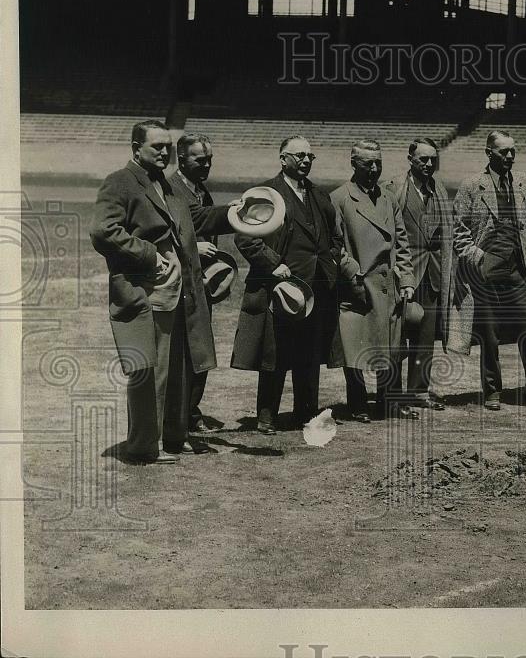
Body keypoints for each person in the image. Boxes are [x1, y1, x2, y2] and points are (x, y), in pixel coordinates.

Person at [90, 120, 234, 463]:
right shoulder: (121, 182)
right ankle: (143, 446)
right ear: (136, 147)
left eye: (167, 147)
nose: (164, 152)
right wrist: (149, 255)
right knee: (149, 371)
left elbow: (198, 221)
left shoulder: (167, 188)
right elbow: (103, 231)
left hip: (180, 293)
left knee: (177, 371)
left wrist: (239, 213)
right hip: (146, 292)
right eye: (157, 146)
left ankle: (172, 438)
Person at [447, 130, 526, 412]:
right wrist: (480, 259)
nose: (510, 157)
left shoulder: (524, 183)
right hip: (486, 274)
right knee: (489, 335)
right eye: (504, 152)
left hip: (518, 271)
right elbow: (459, 233)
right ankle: (492, 392)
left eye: (513, 151)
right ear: (489, 153)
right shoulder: (471, 186)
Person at [230, 137, 344, 434]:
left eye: (310, 156)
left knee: (310, 353)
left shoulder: (319, 195)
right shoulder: (266, 193)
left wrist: (330, 259)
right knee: (275, 353)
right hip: (280, 288)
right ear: (283, 159)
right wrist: (272, 263)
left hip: (316, 288)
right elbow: (245, 236)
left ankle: (306, 412)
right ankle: (266, 416)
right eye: (300, 156)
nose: (306, 161)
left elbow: (334, 236)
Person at [330, 140, 416, 422]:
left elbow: (402, 243)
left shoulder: (389, 199)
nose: (375, 169)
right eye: (369, 164)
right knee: (355, 347)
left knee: (392, 346)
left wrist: (407, 280)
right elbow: (335, 245)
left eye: (379, 163)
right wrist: (352, 271)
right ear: (354, 164)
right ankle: (358, 404)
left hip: (388, 285)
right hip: (358, 285)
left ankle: (391, 401)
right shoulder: (340, 198)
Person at [382, 137, 451, 411]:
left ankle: (419, 391)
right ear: (410, 159)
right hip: (404, 273)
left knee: (425, 337)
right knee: (397, 335)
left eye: (433, 159)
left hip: (433, 274)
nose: (429, 164)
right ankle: (394, 393)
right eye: (423, 159)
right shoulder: (394, 188)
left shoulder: (440, 190)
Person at [169, 132, 227, 433]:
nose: (206, 166)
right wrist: (193, 246)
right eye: (199, 160)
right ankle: (180, 418)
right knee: (183, 354)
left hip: (202, 285)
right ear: (181, 158)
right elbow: (162, 236)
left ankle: (191, 412)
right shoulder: (169, 189)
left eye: (209, 160)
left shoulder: (202, 191)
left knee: (202, 351)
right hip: (180, 286)